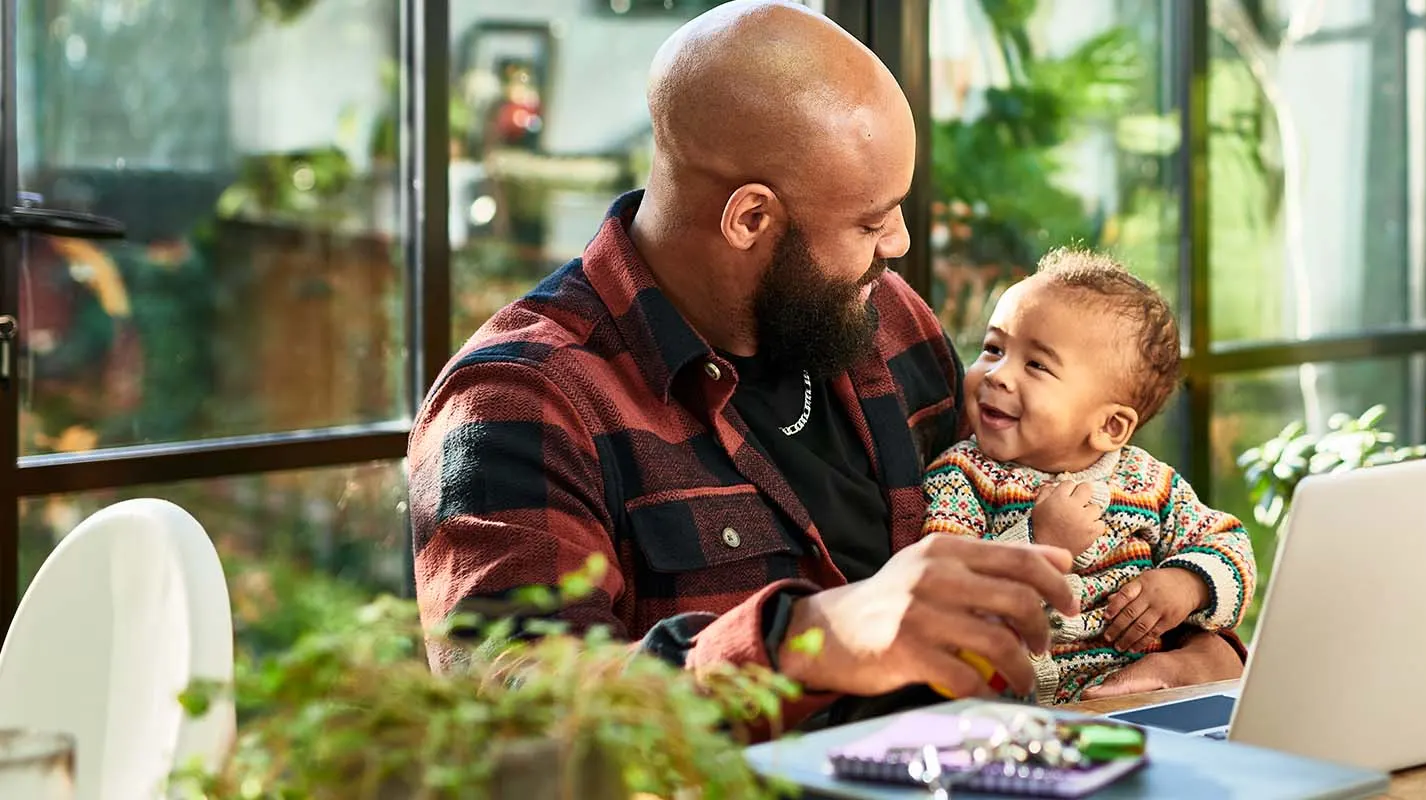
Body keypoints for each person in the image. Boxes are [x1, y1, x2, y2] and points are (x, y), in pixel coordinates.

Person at [406, 0, 1241, 732]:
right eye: (871, 221)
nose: (900, 246)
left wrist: (1191, 653)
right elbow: (524, 717)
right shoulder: (522, 400)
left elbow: (1021, 534)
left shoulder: (887, 323)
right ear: (750, 218)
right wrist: (808, 642)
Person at [922, 250, 1256, 705]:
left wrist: (1187, 582)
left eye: (1036, 365)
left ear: (1109, 427)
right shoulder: (962, 477)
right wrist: (1039, 541)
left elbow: (1231, 545)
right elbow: (942, 589)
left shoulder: (1149, 484)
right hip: (1017, 716)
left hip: (1143, 703)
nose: (998, 376)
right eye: (994, 349)